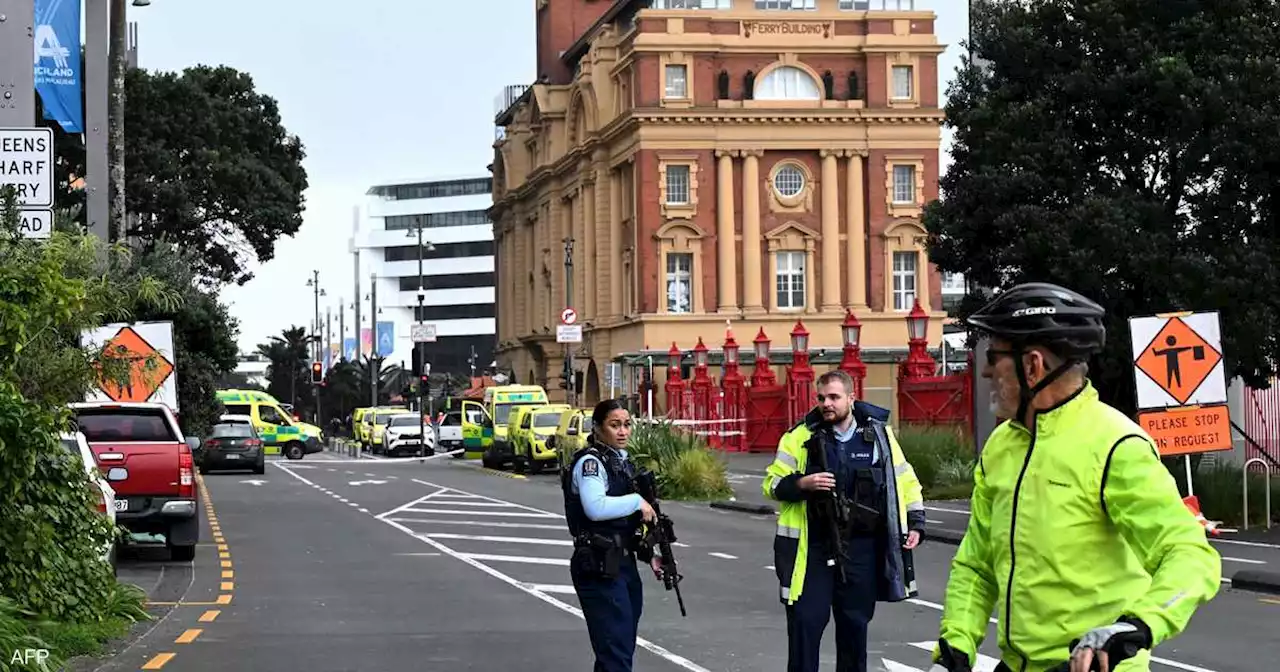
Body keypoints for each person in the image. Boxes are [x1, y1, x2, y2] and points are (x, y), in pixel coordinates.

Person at [927, 282, 1222, 672]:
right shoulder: (1001, 447)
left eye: (994, 357)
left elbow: (1189, 554)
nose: (984, 370)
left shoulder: (1116, 444)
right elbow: (977, 563)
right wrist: (956, 644)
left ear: (1032, 366)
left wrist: (1137, 625)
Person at [763, 369, 927, 672]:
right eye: (822, 398)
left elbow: (903, 479)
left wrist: (916, 522)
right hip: (813, 547)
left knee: (854, 629)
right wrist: (802, 484)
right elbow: (772, 484)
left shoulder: (878, 435)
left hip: (860, 548)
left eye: (834, 397)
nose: (827, 404)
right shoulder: (799, 436)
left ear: (851, 398)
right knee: (805, 625)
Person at [561, 398, 664, 672]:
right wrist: (636, 501)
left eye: (627, 425)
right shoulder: (591, 463)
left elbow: (625, 525)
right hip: (598, 565)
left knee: (621, 648)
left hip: (622, 564)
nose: (623, 431)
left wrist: (650, 554)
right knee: (614, 651)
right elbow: (595, 508)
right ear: (597, 428)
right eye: (614, 425)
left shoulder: (621, 463)